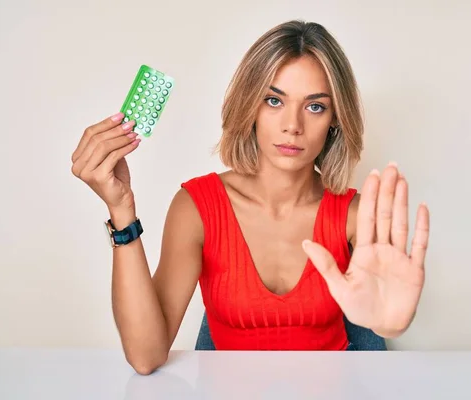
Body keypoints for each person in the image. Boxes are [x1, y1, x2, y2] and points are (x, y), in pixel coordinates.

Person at [71, 20, 430, 375]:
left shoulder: (354, 214)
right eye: (274, 100)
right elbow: (146, 356)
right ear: (250, 107)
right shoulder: (197, 207)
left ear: (335, 119)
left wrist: (390, 324)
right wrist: (121, 211)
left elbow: (381, 316)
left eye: (315, 106)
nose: (293, 125)